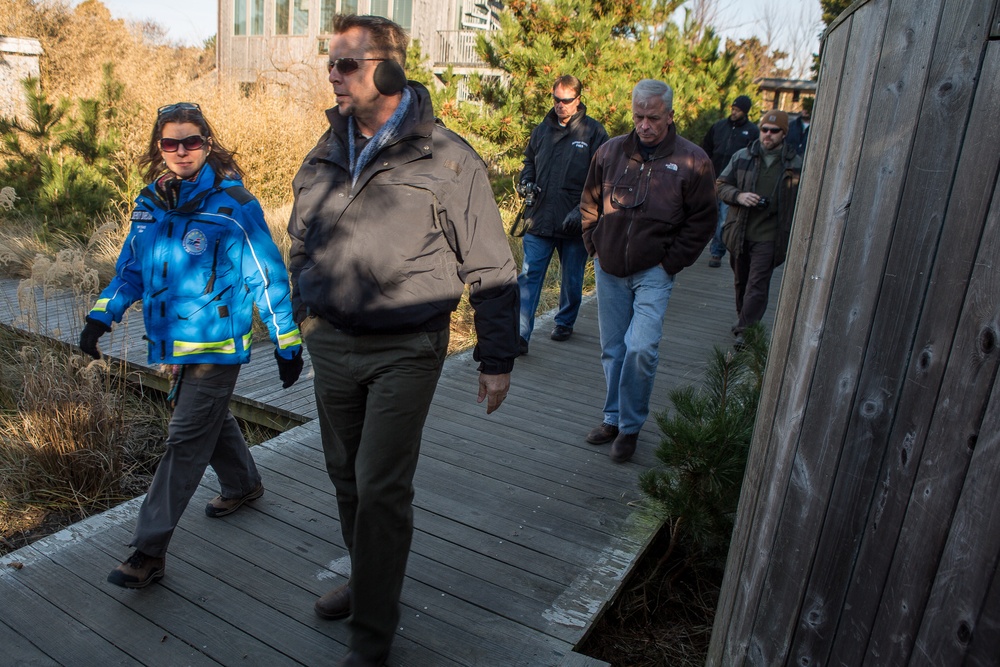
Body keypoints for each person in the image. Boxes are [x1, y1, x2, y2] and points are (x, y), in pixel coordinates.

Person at [286, 15, 518, 667]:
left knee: (380, 485)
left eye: (346, 64)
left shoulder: (448, 156)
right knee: (344, 477)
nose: (332, 74)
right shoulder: (325, 148)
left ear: (388, 70)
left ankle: (372, 632)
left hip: (406, 346)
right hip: (330, 341)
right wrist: (305, 310)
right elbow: (300, 236)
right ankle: (367, 580)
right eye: (329, 63)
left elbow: (492, 264)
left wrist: (496, 358)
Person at [78, 102, 304, 589]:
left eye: (192, 142)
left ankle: (147, 550)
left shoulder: (233, 203)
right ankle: (244, 484)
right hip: (173, 342)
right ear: (158, 147)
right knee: (207, 418)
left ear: (208, 143)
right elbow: (130, 272)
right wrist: (101, 316)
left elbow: (265, 275)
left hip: (219, 342)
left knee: (183, 439)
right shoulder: (149, 203)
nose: (181, 151)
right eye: (170, 143)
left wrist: (287, 341)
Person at [580, 79, 716, 463]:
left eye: (653, 117)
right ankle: (612, 418)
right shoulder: (609, 152)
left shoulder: (693, 161)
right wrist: (594, 244)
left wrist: (670, 262)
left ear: (670, 115)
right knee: (613, 349)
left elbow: (703, 221)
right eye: (638, 116)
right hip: (609, 268)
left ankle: (630, 427)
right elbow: (589, 201)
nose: (644, 125)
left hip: (654, 271)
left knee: (640, 348)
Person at [515, 75, 608, 354]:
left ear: (578, 99)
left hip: (574, 222)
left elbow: (604, 178)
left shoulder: (594, 132)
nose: (560, 105)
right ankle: (520, 335)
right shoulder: (541, 129)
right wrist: (526, 180)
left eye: (566, 100)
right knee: (529, 277)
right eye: (556, 99)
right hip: (539, 217)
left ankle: (565, 321)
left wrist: (582, 211)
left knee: (571, 279)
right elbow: (528, 160)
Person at [717, 109, 802, 346]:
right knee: (741, 281)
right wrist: (739, 196)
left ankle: (745, 330)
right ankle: (744, 318)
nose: (768, 134)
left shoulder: (795, 165)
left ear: (783, 134)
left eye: (775, 131)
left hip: (770, 234)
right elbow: (721, 185)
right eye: (765, 129)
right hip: (740, 231)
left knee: (758, 282)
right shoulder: (742, 157)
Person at [701, 95, 759, 268]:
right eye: (733, 109)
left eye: (738, 110)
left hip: (732, 184)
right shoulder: (718, 127)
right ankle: (700, 246)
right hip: (712, 179)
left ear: (745, 112)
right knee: (709, 216)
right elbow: (706, 148)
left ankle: (717, 252)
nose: (734, 113)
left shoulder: (752, 131)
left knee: (724, 219)